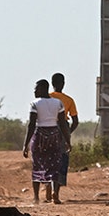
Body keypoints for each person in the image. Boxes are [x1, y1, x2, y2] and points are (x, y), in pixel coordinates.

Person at [23, 79, 70, 205]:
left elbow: (32, 124)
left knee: (37, 165)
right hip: (55, 135)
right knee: (55, 164)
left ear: (43, 89)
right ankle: (55, 193)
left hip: (40, 136)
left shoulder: (34, 104)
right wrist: (67, 140)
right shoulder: (58, 103)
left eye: (36, 89)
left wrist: (26, 144)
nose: (34, 91)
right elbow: (63, 124)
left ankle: (36, 197)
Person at [48, 72, 79, 202]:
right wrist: (67, 133)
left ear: (52, 83)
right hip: (62, 128)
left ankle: (48, 191)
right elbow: (75, 121)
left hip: (47, 127)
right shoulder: (69, 100)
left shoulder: (47, 97)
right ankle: (56, 192)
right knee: (60, 160)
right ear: (63, 83)